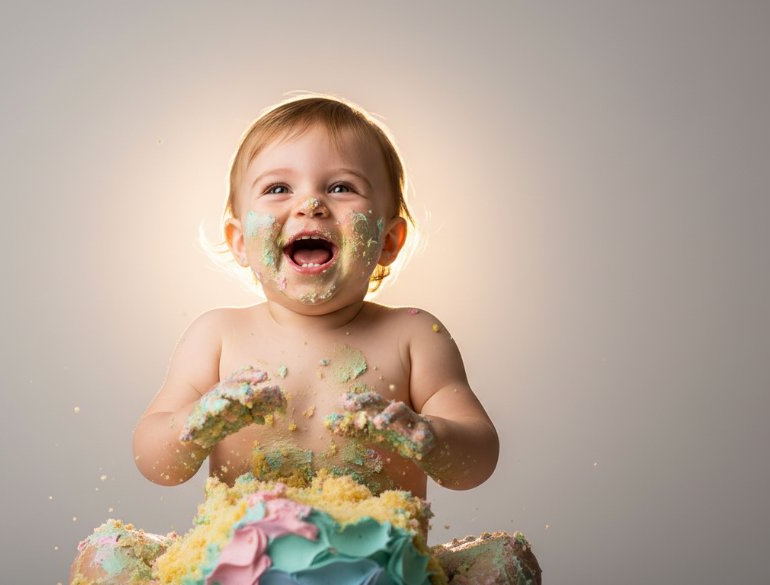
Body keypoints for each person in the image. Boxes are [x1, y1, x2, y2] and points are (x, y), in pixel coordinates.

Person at [70, 93, 540, 585]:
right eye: (277, 188)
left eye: (341, 187)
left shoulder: (414, 335)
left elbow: (476, 461)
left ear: (387, 241)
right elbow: (156, 462)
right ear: (239, 242)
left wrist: (429, 437)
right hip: (239, 566)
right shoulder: (218, 335)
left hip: (383, 568)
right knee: (106, 557)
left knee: (506, 561)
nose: (311, 203)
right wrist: (197, 422)